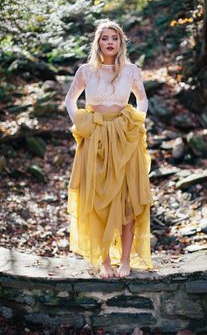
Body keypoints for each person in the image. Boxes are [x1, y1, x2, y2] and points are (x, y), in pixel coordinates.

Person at [65, 19, 153, 279]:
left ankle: (125, 260)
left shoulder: (130, 71)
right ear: (98, 42)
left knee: (127, 198)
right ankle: (104, 261)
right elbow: (70, 99)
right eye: (105, 38)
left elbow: (143, 98)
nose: (110, 42)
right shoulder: (86, 70)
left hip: (124, 136)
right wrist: (81, 122)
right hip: (95, 138)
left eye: (114, 38)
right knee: (98, 199)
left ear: (121, 42)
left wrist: (137, 123)